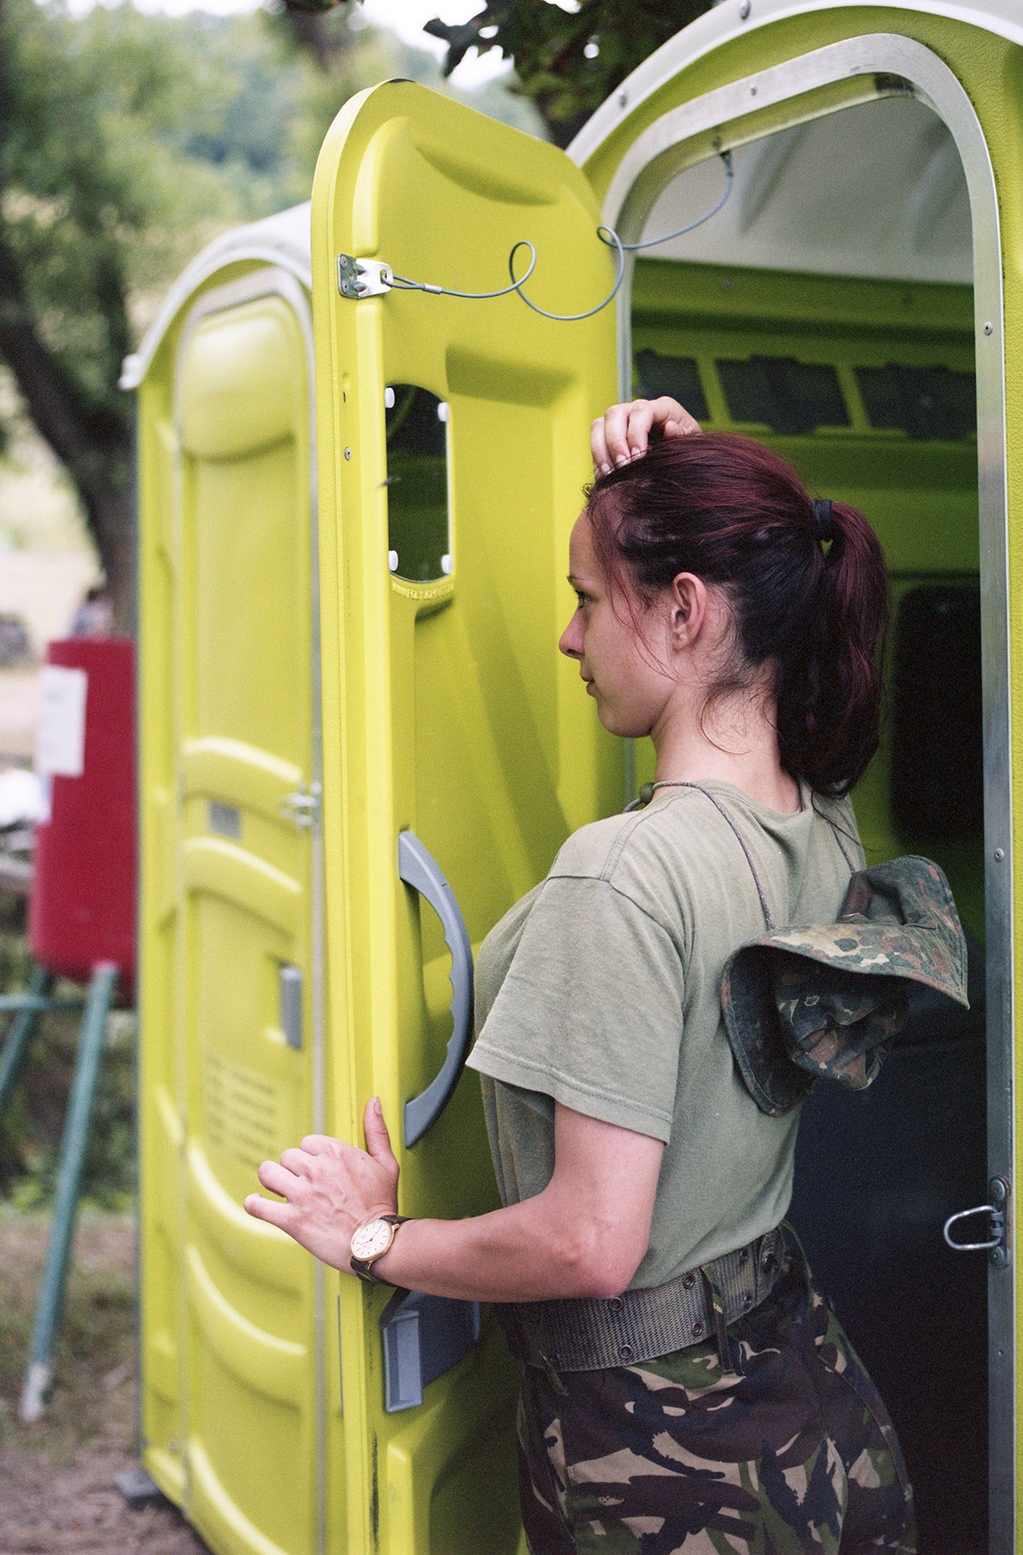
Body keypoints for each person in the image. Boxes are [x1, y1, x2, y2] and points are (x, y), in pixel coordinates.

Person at [246, 395, 915, 1555]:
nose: (568, 637)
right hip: (816, 1406)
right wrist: (694, 469)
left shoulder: (624, 874)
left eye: (587, 600)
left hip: (670, 1463)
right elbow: (765, 597)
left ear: (687, 610)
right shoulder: (819, 818)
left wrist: (370, 1240)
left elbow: (588, 1244)